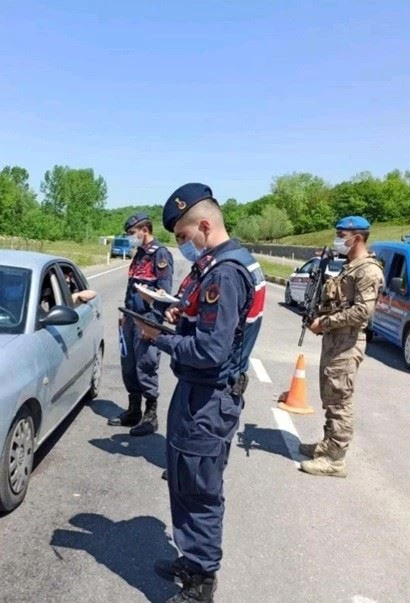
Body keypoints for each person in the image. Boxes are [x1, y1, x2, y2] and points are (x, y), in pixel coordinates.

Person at [136, 183, 265, 603]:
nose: (182, 247)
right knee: (184, 480)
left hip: (208, 398)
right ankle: (191, 559)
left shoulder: (225, 273)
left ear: (205, 226)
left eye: (184, 237)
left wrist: (159, 337)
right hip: (199, 394)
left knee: (199, 490)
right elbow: (211, 326)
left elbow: (211, 351)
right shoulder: (223, 262)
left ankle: (200, 584)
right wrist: (180, 311)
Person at [299, 216, 385, 478]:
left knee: (340, 400)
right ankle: (327, 445)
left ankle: (335, 460)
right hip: (335, 340)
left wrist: (325, 322)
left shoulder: (368, 270)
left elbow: (362, 312)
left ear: (357, 237)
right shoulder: (350, 266)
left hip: (347, 343)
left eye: (341, 234)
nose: (338, 239)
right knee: (331, 395)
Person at [108, 211, 174, 436]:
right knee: (129, 365)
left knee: (146, 365)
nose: (129, 237)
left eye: (132, 233)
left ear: (145, 230)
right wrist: (125, 313)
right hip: (130, 318)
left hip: (147, 320)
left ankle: (150, 415)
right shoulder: (139, 255)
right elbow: (132, 286)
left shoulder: (160, 255)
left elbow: (164, 293)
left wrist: (154, 324)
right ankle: (133, 410)